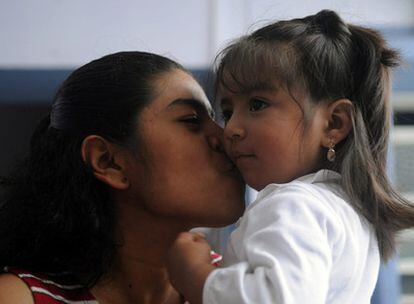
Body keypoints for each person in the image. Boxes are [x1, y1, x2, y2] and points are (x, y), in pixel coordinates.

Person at [166, 10, 414, 303]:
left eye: (257, 105)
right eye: (228, 112)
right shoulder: (340, 211)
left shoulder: (294, 205)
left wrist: (197, 276)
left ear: (334, 124)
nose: (230, 129)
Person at [0, 51, 246, 303]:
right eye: (191, 120)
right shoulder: (20, 298)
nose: (225, 137)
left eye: (219, 118)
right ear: (109, 162)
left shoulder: (246, 287)